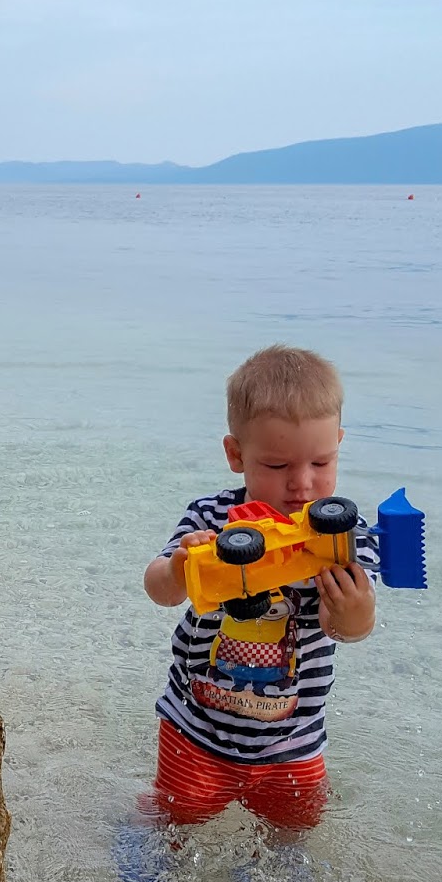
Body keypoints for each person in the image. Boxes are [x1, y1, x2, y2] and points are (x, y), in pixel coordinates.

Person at [141, 343, 378, 834]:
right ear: (236, 454)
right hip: (195, 730)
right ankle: (150, 847)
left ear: (338, 443)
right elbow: (160, 589)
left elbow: (346, 630)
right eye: (277, 466)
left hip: (293, 741)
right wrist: (181, 567)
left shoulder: (344, 540)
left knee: (293, 831)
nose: (302, 485)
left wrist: (354, 611)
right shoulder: (210, 518)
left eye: (321, 463)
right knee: (174, 819)